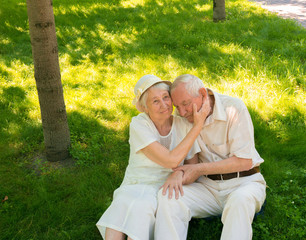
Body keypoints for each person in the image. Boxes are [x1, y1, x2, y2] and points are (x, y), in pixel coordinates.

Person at [96, 74, 210, 240]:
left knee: (143, 207)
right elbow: (170, 160)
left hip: (163, 186)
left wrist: (178, 173)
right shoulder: (139, 124)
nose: (164, 105)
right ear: (145, 108)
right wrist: (197, 126)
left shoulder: (183, 125)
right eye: (155, 101)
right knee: (122, 203)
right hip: (136, 182)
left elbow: (192, 166)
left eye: (166, 97)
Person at [155, 74, 267, 240]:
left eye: (185, 104)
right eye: (177, 106)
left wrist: (199, 169)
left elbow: (244, 161)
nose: (182, 112)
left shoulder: (234, 108)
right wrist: (179, 173)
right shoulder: (183, 118)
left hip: (243, 182)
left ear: (202, 93)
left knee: (239, 201)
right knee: (168, 196)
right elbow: (189, 161)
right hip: (207, 188)